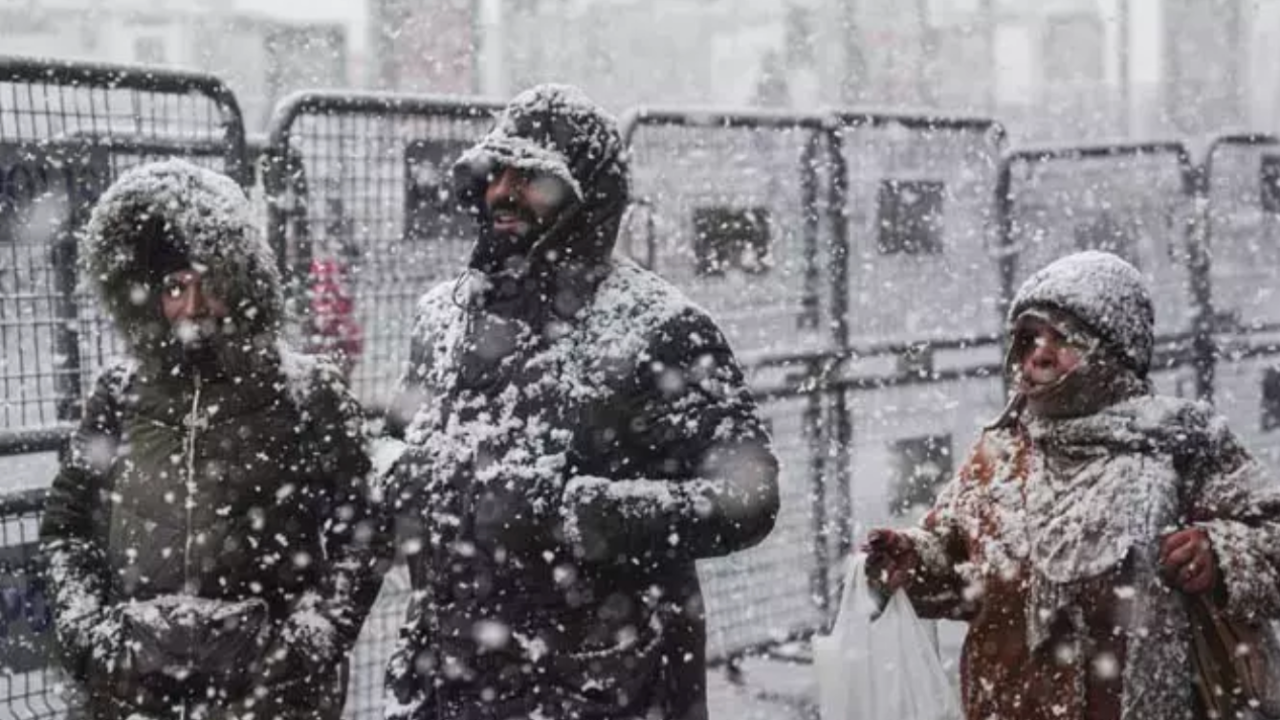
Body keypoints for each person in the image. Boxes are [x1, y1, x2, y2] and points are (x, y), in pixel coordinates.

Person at [381, 84, 781, 720]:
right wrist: (394, 478)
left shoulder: (659, 329)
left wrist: (589, 516)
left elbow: (748, 497)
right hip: (452, 682)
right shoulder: (443, 319)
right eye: (495, 172)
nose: (503, 191)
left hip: (600, 689)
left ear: (587, 196)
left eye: (530, 177)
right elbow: (397, 442)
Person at [40, 159, 391, 720]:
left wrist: (307, 644)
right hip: (134, 694)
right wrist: (88, 638)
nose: (194, 306)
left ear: (242, 282)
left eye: (210, 283)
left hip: (268, 699)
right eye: (175, 287)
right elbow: (68, 526)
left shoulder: (306, 391)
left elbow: (365, 531)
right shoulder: (119, 392)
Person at [863, 250, 1280, 720]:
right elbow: (960, 567)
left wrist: (1219, 554)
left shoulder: (1179, 445)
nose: (1039, 354)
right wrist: (912, 560)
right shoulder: (999, 457)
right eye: (1027, 339)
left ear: (1115, 347)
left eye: (1064, 337)